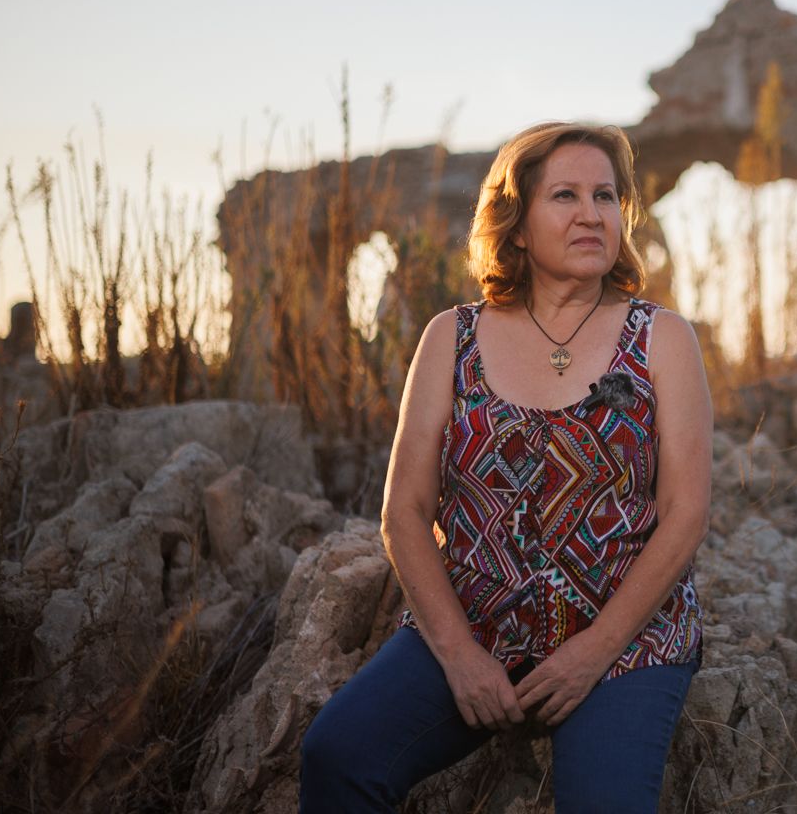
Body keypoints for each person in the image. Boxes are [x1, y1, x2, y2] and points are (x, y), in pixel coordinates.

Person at [299, 121, 711, 813]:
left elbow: (687, 511)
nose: (591, 214)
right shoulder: (451, 337)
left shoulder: (661, 337)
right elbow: (404, 511)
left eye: (606, 196)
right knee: (337, 755)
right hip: (476, 622)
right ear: (516, 225)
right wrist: (459, 656)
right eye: (565, 196)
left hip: (625, 642)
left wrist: (590, 656)